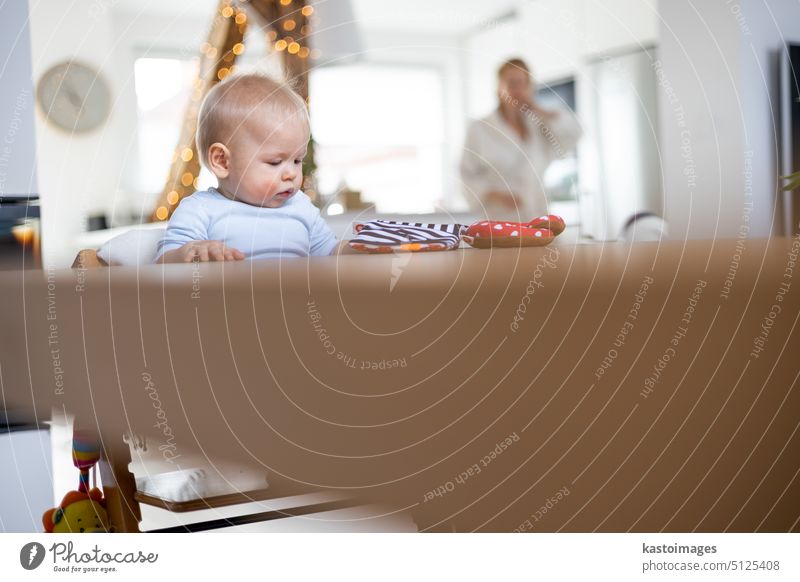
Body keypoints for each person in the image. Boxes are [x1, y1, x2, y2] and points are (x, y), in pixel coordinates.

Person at [155, 73, 343, 263]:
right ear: (222, 161)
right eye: (275, 162)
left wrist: (361, 246)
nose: (292, 174)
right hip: (232, 293)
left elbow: (332, 253)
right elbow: (162, 265)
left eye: (297, 160)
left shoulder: (301, 207)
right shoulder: (200, 210)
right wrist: (192, 252)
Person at [460, 58, 582, 219]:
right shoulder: (479, 128)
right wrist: (494, 194)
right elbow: (465, 175)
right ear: (498, 88)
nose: (517, 90)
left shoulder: (539, 124)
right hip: (498, 218)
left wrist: (538, 110)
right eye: (511, 83)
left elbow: (575, 134)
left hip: (537, 215)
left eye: (523, 83)